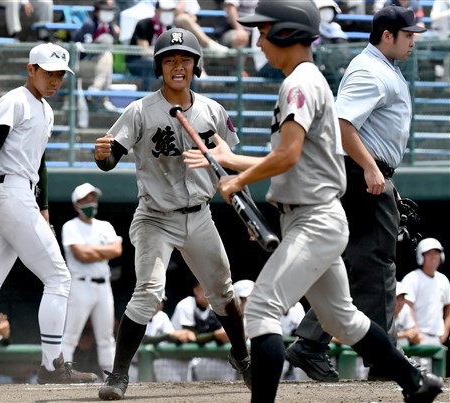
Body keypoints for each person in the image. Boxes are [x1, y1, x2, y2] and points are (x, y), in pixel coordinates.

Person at [182, 1, 443, 401]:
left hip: (315, 219)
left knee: (260, 311)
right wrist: (230, 160)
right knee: (345, 319)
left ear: (286, 33)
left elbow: (286, 157)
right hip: (312, 215)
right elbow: (293, 156)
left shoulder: (299, 84)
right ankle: (415, 383)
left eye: (265, 31)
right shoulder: (302, 79)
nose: (260, 40)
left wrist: (239, 181)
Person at [93, 27, 251, 400]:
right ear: (159, 66)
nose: (177, 65)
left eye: (184, 59)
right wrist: (104, 156)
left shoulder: (213, 110)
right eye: (169, 59)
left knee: (224, 293)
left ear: (197, 65)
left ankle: (242, 358)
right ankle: (118, 375)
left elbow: (227, 162)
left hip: (199, 215)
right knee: (148, 291)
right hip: (155, 216)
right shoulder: (140, 110)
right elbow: (111, 155)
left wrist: (240, 198)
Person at [0, 42, 98, 385]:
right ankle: (52, 367)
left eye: (60, 75)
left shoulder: (47, 110)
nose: (55, 80)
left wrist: (43, 208)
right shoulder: (14, 99)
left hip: (23, 195)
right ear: (31, 69)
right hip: (8, 192)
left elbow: (39, 162)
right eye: (49, 73)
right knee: (59, 278)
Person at [283, 5, 428, 382]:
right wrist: (370, 167)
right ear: (387, 35)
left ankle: (311, 343)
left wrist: (377, 172)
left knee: (352, 261)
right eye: (408, 34)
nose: (413, 40)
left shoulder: (384, 67)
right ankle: (384, 359)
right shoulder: (369, 69)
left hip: (367, 171)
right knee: (378, 263)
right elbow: (343, 123)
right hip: (359, 170)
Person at [61, 182, 124, 380]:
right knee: (70, 335)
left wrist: (93, 250)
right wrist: (102, 252)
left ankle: (112, 378)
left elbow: (117, 250)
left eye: (92, 199)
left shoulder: (105, 226)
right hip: (80, 284)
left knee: (106, 337)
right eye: (85, 200)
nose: (90, 203)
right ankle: (62, 373)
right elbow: (81, 255)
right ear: (76, 204)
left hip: (103, 286)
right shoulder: (70, 226)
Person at [170, 282, 237, 382]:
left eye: (210, 289)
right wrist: (216, 335)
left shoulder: (214, 307)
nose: (207, 292)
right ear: (195, 290)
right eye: (203, 288)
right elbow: (191, 338)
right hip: (173, 359)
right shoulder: (185, 305)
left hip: (199, 359)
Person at [401, 237, 450, 372]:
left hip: (437, 340)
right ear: (421, 256)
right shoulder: (412, 278)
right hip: (416, 341)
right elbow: (406, 307)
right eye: (429, 254)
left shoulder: (443, 280)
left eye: (436, 253)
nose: (434, 257)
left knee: (438, 380)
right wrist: (415, 331)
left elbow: (448, 308)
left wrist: (445, 332)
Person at [128, 293, 196, 382]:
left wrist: (184, 335)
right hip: (132, 366)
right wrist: (167, 336)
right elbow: (143, 339)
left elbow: (172, 335)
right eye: (155, 300)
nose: (158, 304)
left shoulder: (162, 316)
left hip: (153, 364)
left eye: (160, 301)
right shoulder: (133, 314)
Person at [73, 0, 123, 112]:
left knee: (107, 60)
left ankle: (96, 91)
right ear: (96, 12)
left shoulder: (110, 27)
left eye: (110, 11)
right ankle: (102, 98)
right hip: (82, 63)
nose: (108, 14)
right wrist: (97, 44)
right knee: (107, 58)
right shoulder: (89, 25)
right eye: (105, 11)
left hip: (99, 64)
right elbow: (85, 49)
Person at [126, 0, 176, 92]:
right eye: (165, 11)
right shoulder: (144, 24)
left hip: (160, 63)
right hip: (135, 62)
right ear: (156, 11)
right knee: (150, 63)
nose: (168, 14)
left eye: (170, 11)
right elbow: (145, 51)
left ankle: (190, 102)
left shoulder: (170, 28)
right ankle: (147, 99)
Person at [215, 0, 258, 76]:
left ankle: (272, 72)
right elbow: (231, 7)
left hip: (257, 32)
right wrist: (239, 29)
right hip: (233, 29)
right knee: (241, 37)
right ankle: (240, 74)